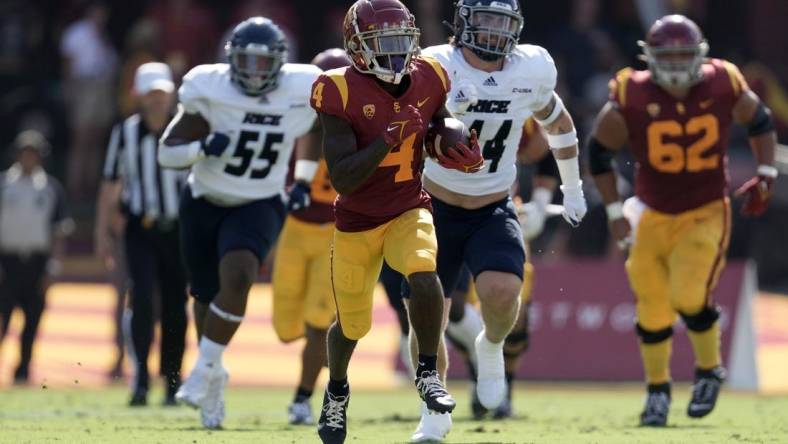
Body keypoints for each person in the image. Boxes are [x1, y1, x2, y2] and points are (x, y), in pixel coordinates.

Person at [588, 15, 778, 427]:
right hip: (651, 211)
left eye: (683, 55)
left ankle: (709, 370)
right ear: (649, 58)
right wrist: (615, 211)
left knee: (690, 296)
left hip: (705, 209)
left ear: (700, 56)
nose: (675, 64)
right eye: (667, 56)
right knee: (653, 309)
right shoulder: (632, 91)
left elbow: (760, 121)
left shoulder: (723, 81)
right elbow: (599, 152)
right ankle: (657, 392)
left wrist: (766, 174)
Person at [309, 1, 483, 442]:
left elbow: (437, 124)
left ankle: (427, 372)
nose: (395, 54)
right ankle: (337, 392)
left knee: (425, 274)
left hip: (409, 207)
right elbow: (344, 177)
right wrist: (387, 138)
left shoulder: (431, 76)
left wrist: (456, 148)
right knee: (352, 326)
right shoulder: (339, 90)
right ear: (357, 47)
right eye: (382, 45)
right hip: (357, 220)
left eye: (401, 43)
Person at [418, 0, 585, 434]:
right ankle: (433, 415)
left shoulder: (528, 69)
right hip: (431, 205)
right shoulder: (436, 66)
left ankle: (490, 347)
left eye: (502, 22)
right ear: (463, 23)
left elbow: (560, 124)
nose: (494, 31)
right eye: (486, 20)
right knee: (428, 318)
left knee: (504, 292)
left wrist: (572, 187)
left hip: (493, 203)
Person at [157, 17, 322, 429]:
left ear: (280, 64)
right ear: (231, 60)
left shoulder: (301, 88)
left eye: (262, 63)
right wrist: (201, 146)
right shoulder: (208, 88)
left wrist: (302, 179)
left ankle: (201, 369)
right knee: (204, 296)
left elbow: (316, 128)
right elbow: (167, 151)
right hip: (204, 200)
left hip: (260, 201)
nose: (253, 71)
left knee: (240, 273)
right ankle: (214, 376)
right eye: (245, 61)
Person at [96, 62, 189, 406]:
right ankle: (140, 379)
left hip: (178, 230)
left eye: (162, 94)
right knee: (142, 302)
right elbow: (109, 183)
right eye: (151, 94)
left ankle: (173, 381)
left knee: (176, 307)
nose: (157, 101)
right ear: (139, 96)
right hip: (141, 227)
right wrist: (103, 232)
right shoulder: (125, 132)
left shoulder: (185, 128)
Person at [271, 47, 350, 426]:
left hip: (336, 234)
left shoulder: (359, 126)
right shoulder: (294, 121)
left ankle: (302, 398)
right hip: (295, 229)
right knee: (286, 328)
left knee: (319, 321)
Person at [0, 130, 74, 384]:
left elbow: (59, 231)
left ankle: (23, 371)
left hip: (36, 261)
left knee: (31, 322)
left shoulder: (50, 188)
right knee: (2, 318)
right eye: (25, 153)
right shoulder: (4, 184)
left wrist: (53, 267)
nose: (29, 158)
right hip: (7, 261)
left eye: (34, 153)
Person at [59, 1, 117, 199]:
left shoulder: (103, 35)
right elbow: (68, 64)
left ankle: (91, 185)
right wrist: (71, 92)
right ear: (90, 12)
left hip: (102, 87)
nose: (101, 16)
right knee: (81, 140)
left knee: (96, 139)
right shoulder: (76, 33)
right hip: (84, 87)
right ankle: (75, 186)